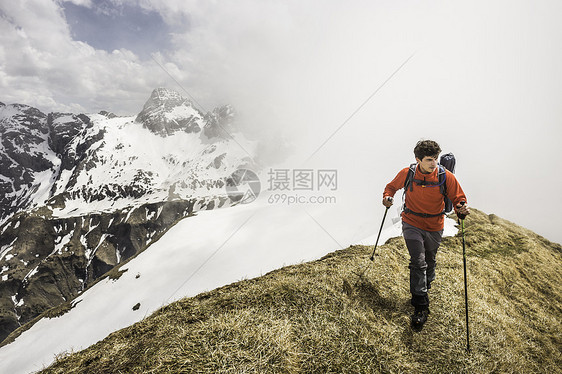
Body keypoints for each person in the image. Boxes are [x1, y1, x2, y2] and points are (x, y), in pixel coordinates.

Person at [382, 140, 470, 327]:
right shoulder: (408, 173)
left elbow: (458, 197)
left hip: (435, 225)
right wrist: (387, 197)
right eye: (429, 159)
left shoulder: (445, 176)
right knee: (418, 261)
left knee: (429, 260)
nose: (434, 163)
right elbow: (391, 187)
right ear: (418, 159)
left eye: (436, 159)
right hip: (412, 223)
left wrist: (461, 208)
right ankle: (420, 305)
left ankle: (426, 284)